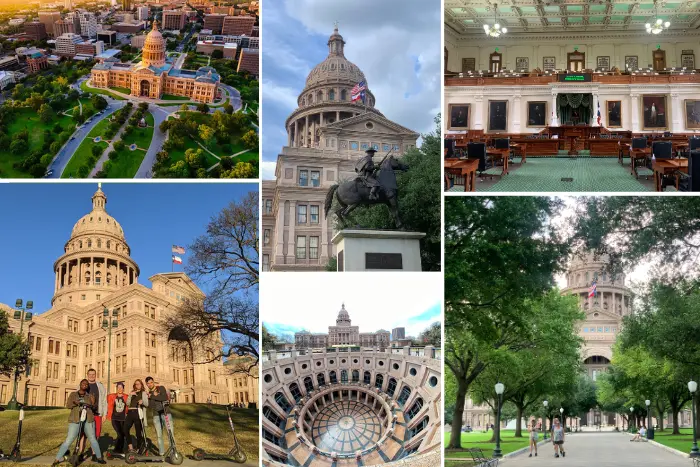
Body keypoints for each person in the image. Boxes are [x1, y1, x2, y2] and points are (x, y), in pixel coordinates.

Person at [52, 379, 105, 466]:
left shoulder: (90, 396)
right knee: (69, 440)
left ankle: (99, 457)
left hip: (88, 420)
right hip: (75, 420)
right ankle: (57, 459)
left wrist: (93, 401)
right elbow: (68, 405)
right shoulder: (73, 394)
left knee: (92, 438)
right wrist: (74, 403)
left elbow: (94, 408)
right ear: (80, 384)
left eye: (86, 384)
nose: (85, 385)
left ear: (88, 386)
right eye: (83, 383)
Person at [79, 368, 106, 457]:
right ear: (87, 375)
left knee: (96, 435)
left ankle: (94, 454)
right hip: (85, 413)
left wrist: (104, 414)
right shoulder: (83, 385)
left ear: (95, 375)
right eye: (90, 374)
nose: (91, 376)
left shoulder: (100, 386)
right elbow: (77, 397)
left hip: (97, 413)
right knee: (83, 434)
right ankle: (80, 453)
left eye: (93, 374)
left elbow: (104, 400)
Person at [146, 376, 172, 456]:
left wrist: (153, 397)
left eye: (151, 382)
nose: (150, 384)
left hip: (165, 413)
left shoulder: (161, 388)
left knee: (170, 433)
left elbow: (164, 398)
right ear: (146, 385)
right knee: (159, 435)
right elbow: (151, 406)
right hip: (156, 414)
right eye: (148, 383)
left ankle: (172, 452)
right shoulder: (149, 394)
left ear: (153, 382)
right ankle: (161, 453)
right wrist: (154, 397)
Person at [125, 380, 149, 453]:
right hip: (130, 412)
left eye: (138, 384)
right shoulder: (132, 392)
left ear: (141, 385)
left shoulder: (143, 393)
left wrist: (142, 402)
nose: (137, 385)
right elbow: (127, 403)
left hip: (138, 412)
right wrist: (130, 395)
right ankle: (131, 447)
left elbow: (147, 404)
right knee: (125, 429)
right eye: (136, 384)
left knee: (138, 432)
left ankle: (139, 448)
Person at [106, 382, 129, 454]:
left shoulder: (126, 397)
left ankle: (118, 449)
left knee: (122, 434)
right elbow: (105, 398)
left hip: (123, 419)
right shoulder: (112, 396)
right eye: (118, 387)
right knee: (120, 434)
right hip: (115, 419)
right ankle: (118, 449)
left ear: (123, 388)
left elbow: (130, 403)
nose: (119, 389)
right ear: (116, 388)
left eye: (121, 387)